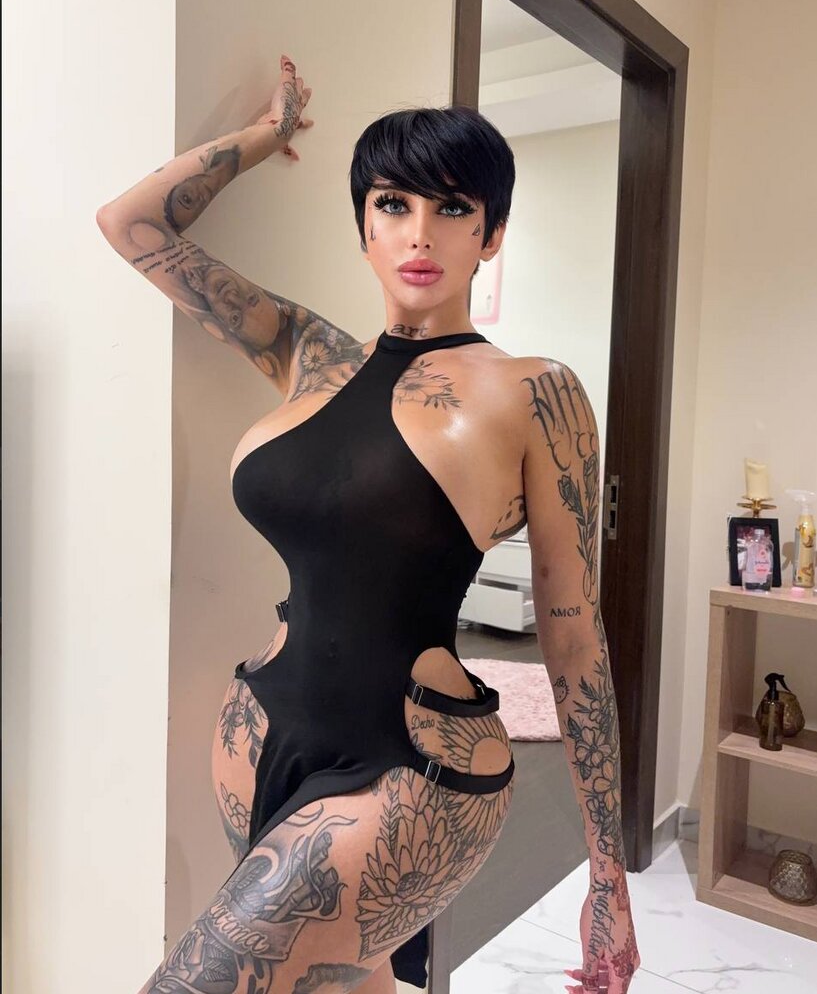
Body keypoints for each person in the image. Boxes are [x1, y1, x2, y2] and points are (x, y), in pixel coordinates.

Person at [96, 55, 640, 994]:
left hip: (411, 762)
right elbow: (130, 224)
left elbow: (572, 631)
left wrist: (606, 871)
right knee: (350, 985)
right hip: (260, 729)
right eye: (392, 203)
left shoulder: (535, 392)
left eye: (453, 207)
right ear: (363, 228)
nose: (419, 232)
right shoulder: (307, 352)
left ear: (491, 234)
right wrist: (265, 137)